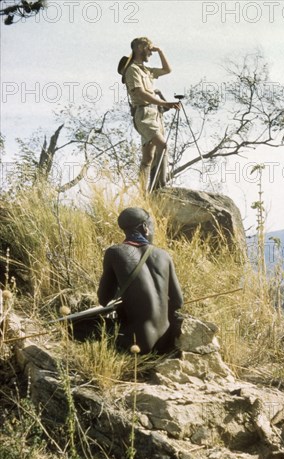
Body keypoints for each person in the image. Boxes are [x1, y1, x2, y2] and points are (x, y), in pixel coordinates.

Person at [97, 207, 183, 354]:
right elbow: (178, 302)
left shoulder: (114, 252)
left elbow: (104, 299)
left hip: (136, 342)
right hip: (164, 342)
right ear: (145, 227)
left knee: (83, 326)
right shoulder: (164, 255)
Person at [118, 37, 180, 191]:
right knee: (163, 146)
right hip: (144, 114)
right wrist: (165, 103)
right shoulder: (132, 69)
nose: (150, 53)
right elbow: (140, 93)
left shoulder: (146, 70)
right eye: (149, 49)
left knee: (148, 158)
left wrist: (160, 51)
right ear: (140, 47)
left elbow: (167, 70)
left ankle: (143, 193)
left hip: (155, 114)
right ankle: (160, 188)